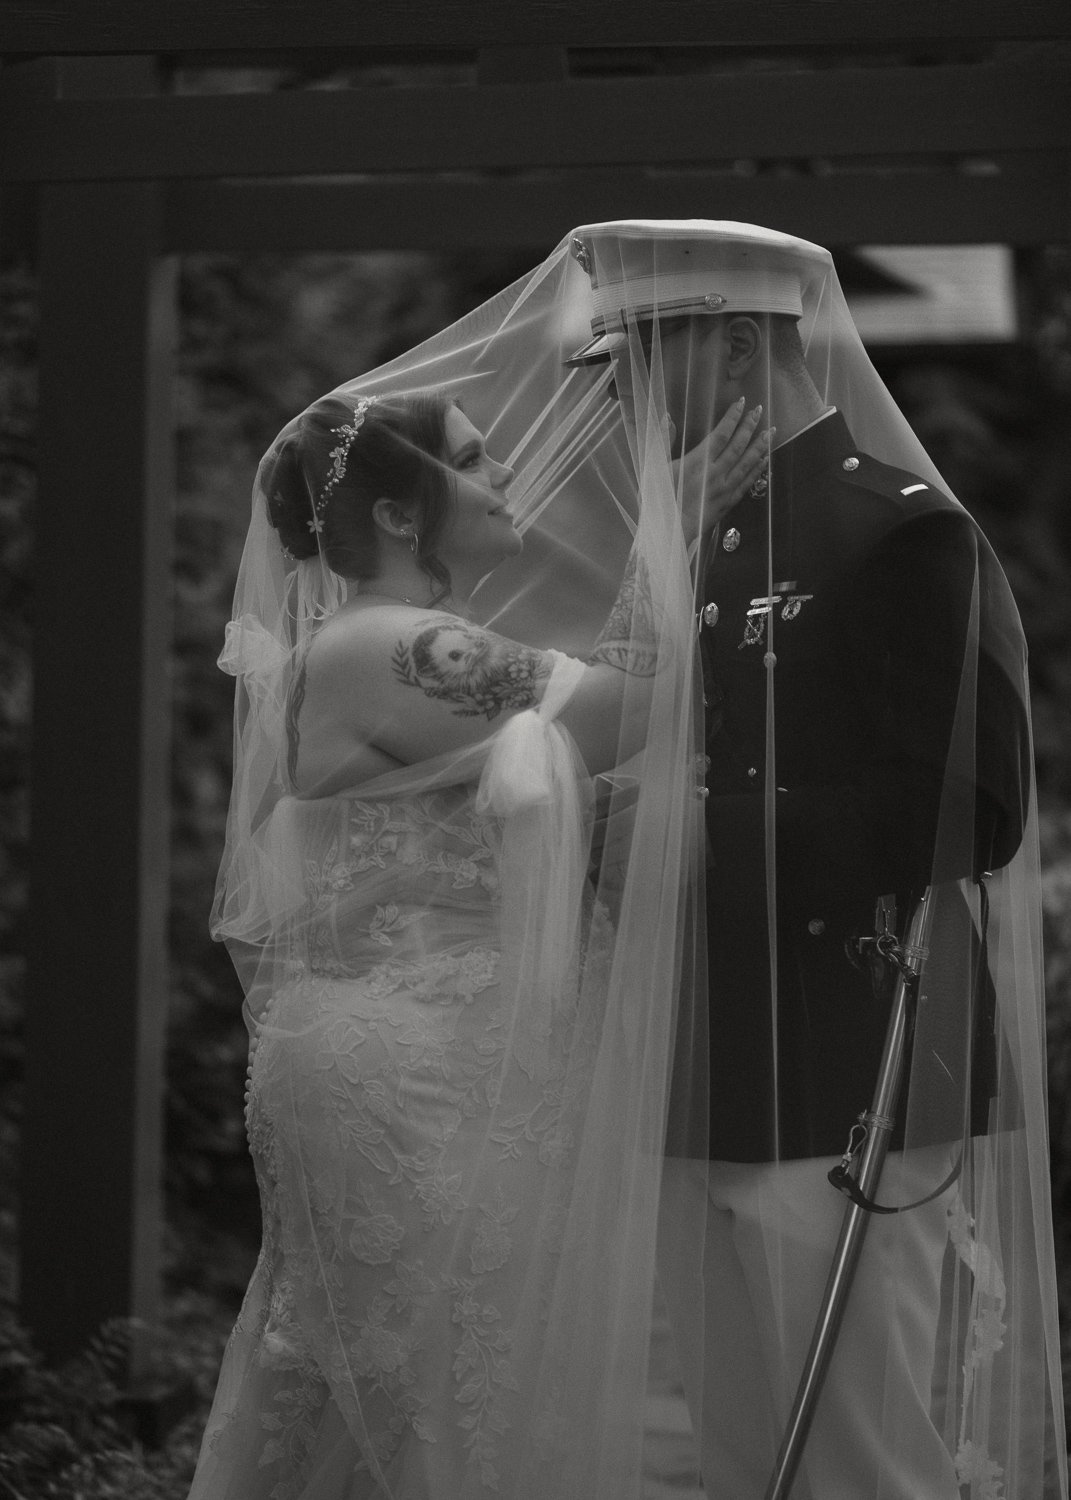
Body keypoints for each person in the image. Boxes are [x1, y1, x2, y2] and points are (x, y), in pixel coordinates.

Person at [187, 371, 767, 1500]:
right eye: (475, 457)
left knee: (408, 1392)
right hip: (405, 1071)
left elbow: (557, 754)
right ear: (402, 515)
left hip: (432, 1058)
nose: (508, 475)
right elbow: (615, 714)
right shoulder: (391, 646)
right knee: (433, 1401)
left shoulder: (412, 646)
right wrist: (668, 539)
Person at [565, 220, 1067, 1498]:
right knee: (744, 1455)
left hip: (851, 1052)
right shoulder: (692, 533)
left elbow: (964, 809)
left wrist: (687, 838)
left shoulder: (896, 531)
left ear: (737, 346)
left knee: (852, 1458)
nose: (617, 392)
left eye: (639, 356)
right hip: (707, 1057)